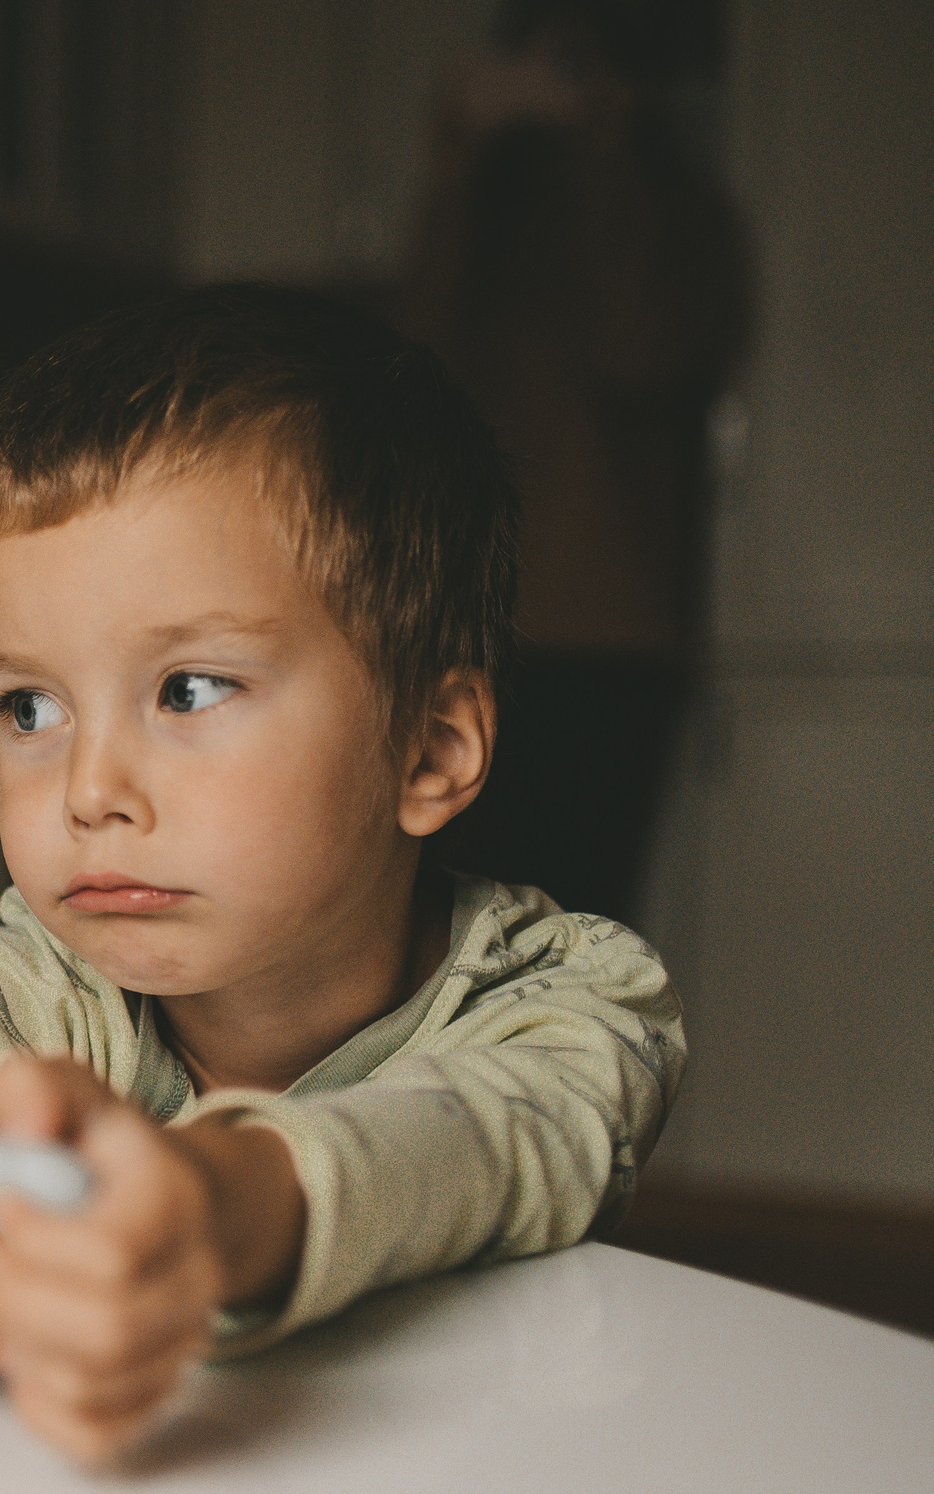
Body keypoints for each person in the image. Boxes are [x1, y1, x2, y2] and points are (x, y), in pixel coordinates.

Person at [0, 286, 685, 1468]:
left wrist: (205, 1206)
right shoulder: (31, 1000)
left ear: (430, 749)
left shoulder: (573, 1002)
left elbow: (462, 1143)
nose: (88, 789)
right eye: (28, 706)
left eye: (188, 689)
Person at [401, 0, 748, 923]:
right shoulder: (490, 209)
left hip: (607, 642)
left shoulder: (682, 215)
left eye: (581, 58)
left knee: (578, 935)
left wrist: (604, 148)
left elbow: (639, 346)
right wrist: (457, 155)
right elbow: (409, 369)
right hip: (469, 625)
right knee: (447, 930)